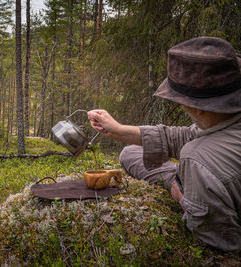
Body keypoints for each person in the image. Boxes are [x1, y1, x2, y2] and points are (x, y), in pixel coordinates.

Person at [87, 36, 241, 252]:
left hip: (207, 179)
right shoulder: (225, 119)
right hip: (210, 176)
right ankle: (187, 186)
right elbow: (187, 135)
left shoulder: (198, 160)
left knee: (192, 164)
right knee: (130, 153)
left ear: (197, 107)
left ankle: (188, 190)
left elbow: (217, 239)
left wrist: (184, 201)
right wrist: (119, 130)